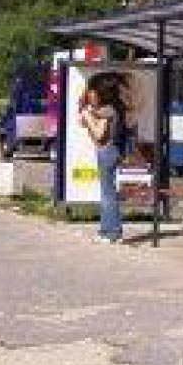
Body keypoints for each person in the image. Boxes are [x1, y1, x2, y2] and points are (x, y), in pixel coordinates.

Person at [79, 77, 126, 244]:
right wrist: (89, 116)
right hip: (107, 151)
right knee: (106, 192)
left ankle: (113, 232)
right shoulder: (109, 108)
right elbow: (92, 129)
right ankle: (106, 230)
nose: (90, 94)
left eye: (92, 90)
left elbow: (99, 134)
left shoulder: (108, 110)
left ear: (101, 93)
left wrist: (88, 116)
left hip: (107, 152)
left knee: (108, 193)